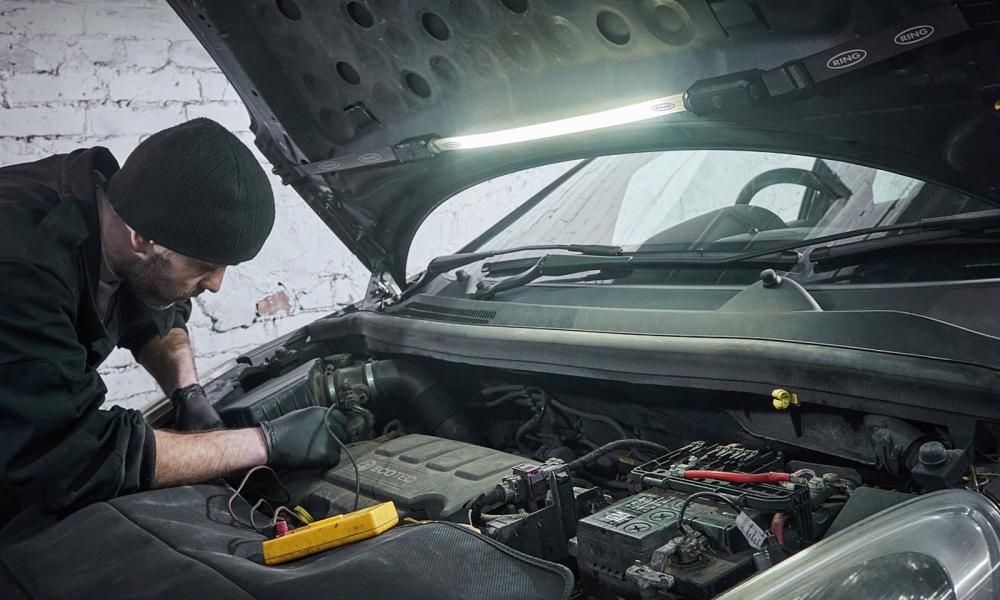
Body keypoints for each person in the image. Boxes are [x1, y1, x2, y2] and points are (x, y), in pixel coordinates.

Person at [0, 118, 344, 521]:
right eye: (205, 266)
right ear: (142, 237)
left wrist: (187, 392)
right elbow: (70, 454)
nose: (215, 285)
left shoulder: (118, 205)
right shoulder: (24, 270)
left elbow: (151, 302)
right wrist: (264, 443)